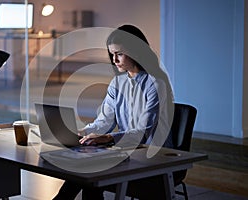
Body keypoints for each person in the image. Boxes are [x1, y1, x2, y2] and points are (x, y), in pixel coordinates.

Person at [52, 24, 174, 200]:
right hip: (128, 150)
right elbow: (105, 121)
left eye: (119, 54)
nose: (114, 60)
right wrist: (82, 133)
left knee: (90, 170)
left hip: (153, 153)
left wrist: (109, 138)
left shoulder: (156, 84)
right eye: (112, 54)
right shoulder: (117, 83)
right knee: (87, 168)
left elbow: (144, 131)